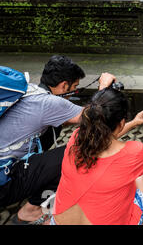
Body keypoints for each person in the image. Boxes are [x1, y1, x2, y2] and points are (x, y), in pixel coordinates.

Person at [0, 55, 123, 224]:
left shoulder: (29, 90)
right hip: (3, 187)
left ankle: (35, 180)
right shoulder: (49, 103)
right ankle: (30, 211)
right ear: (64, 85)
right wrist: (103, 87)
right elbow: (96, 115)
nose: (74, 91)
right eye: (75, 87)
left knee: (54, 131)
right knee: (75, 154)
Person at [51, 88, 143, 225]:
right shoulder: (133, 153)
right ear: (121, 123)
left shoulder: (77, 138)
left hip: (58, 221)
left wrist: (133, 123)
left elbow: (101, 135)